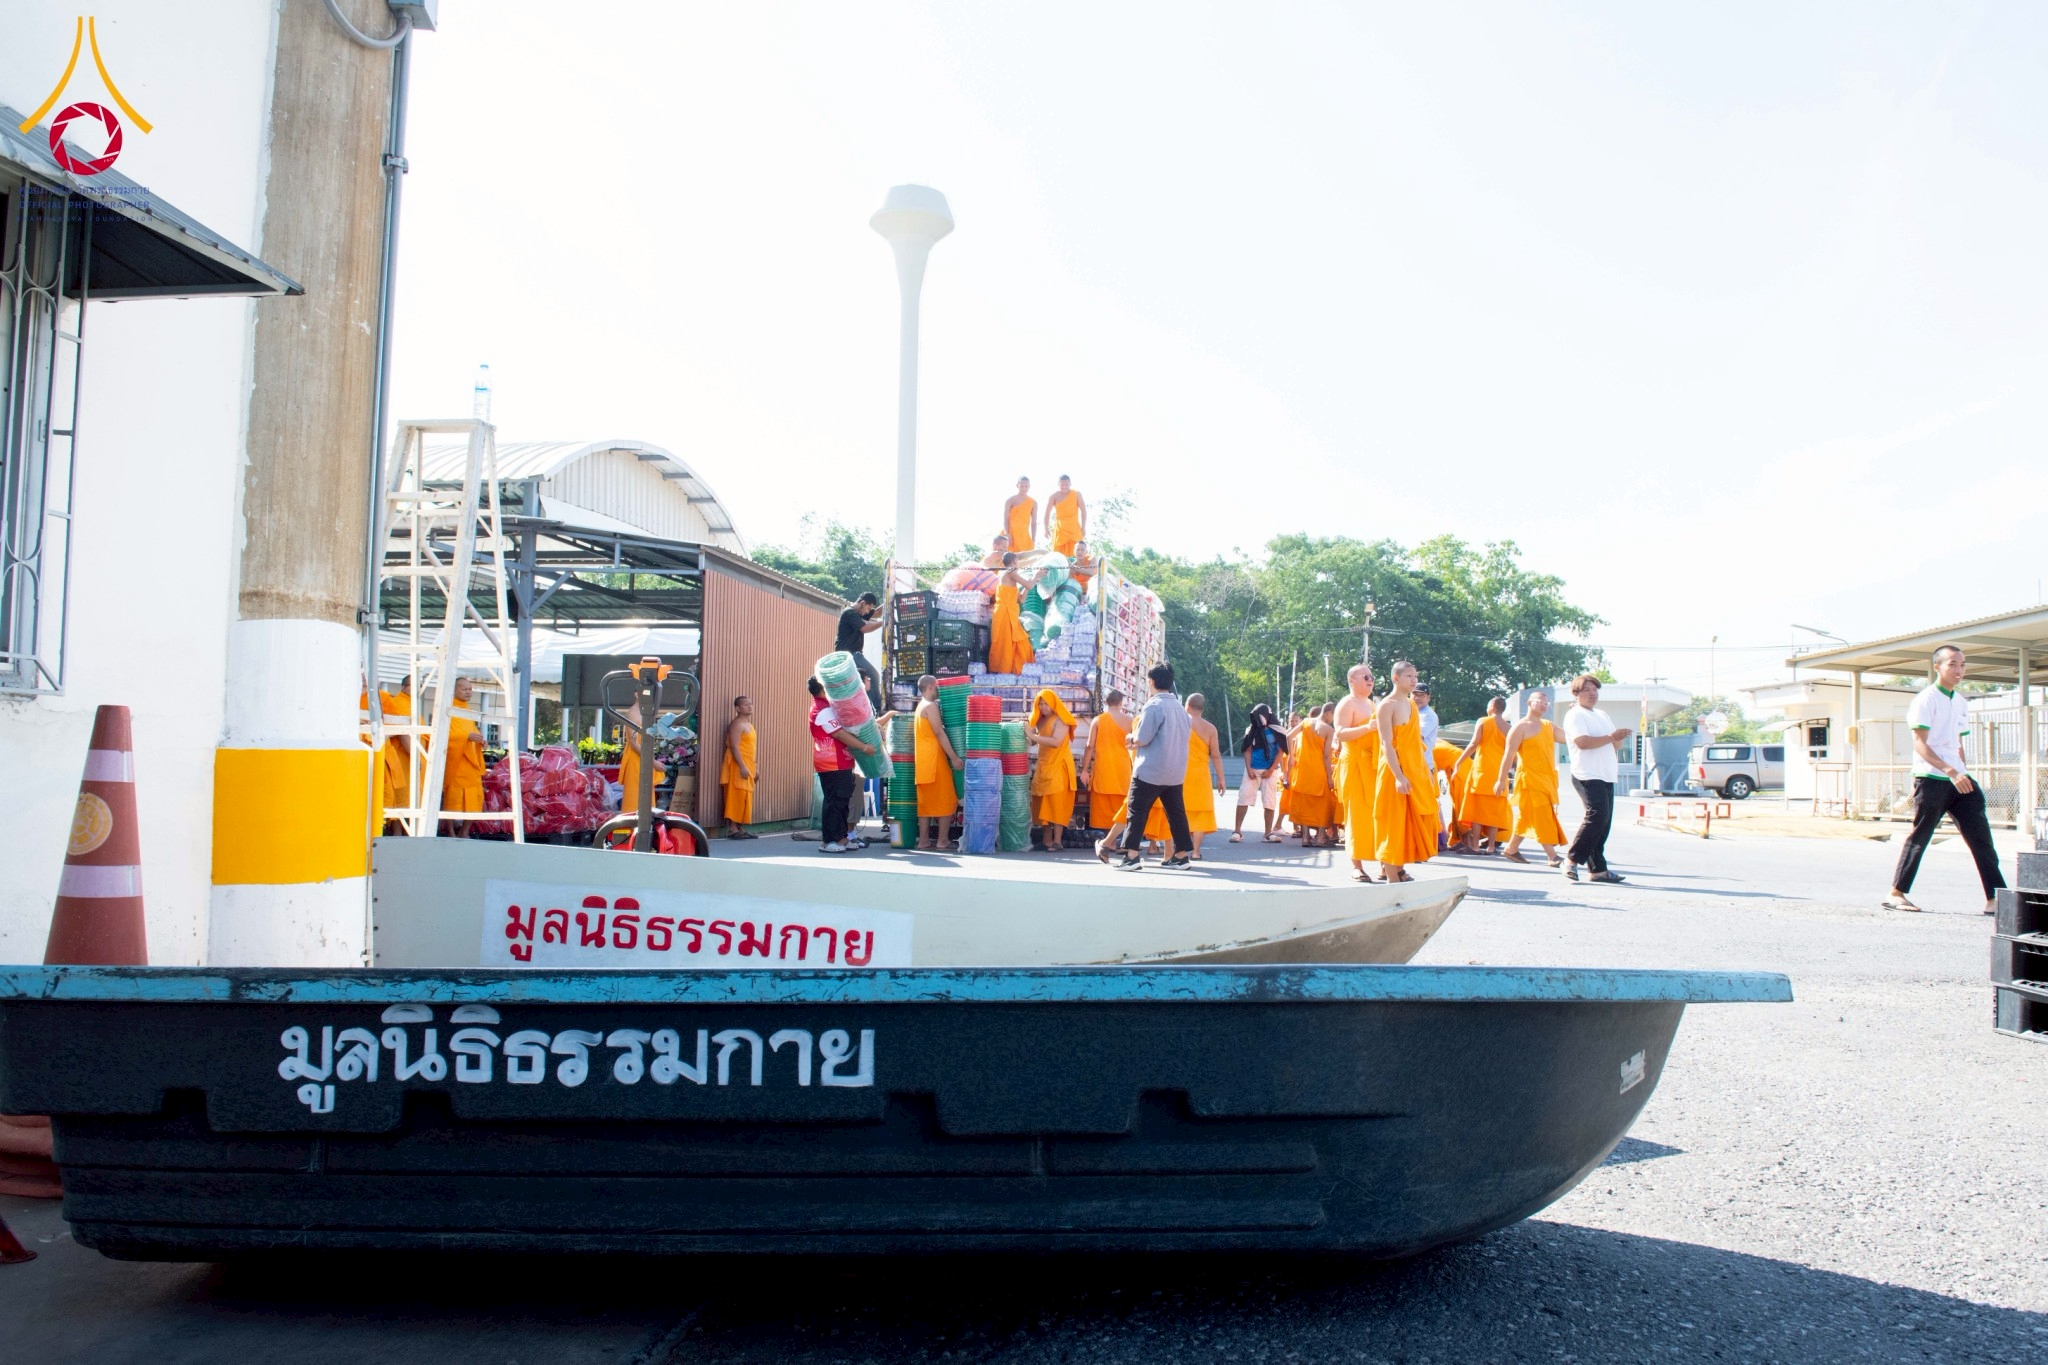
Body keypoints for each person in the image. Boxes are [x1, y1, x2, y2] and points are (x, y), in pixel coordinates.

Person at [1885, 645, 2007, 914]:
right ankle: (1896, 893)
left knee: (1981, 837)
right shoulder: (1926, 699)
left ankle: (1995, 899)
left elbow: (1957, 746)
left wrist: (1962, 772)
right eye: (1952, 664)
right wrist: (1949, 771)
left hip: (1959, 780)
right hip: (1931, 778)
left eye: (1962, 665)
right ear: (1937, 667)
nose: (1959, 670)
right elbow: (1919, 743)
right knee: (1922, 835)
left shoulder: (1961, 702)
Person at [1107, 663, 1193, 870]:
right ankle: (1181, 856)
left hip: (1151, 769)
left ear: (1151, 681)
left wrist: (1131, 737)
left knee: (1136, 811)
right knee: (1176, 813)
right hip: (1175, 770)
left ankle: (1131, 856)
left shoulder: (1154, 706)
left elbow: (1143, 738)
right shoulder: (1181, 710)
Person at [1374, 660, 1440, 882]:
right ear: (1395, 678)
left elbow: (1415, 745)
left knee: (1409, 823)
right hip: (1395, 772)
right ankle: (1392, 880)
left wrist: (1422, 773)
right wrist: (1398, 776)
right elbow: (1386, 744)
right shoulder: (1387, 705)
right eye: (1409, 676)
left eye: (1415, 676)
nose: (1414, 680)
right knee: (1393, 825)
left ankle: (1399, 872)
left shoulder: (1411, 704)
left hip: (1414, 770)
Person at [1561, 674, 1630, 883]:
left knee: (1604, 822)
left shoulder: (1602, 714)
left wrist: (1617, 738)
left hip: (1606, 773)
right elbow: (1582, 742)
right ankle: (1571, 860)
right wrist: (1611, 737)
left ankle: (1598, 869)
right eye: (1587, 690)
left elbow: (1614, 745)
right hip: (1587, 773)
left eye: (1595, 690)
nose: (1592, 694)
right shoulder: (1575, 715)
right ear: (1576, 694)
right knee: (1597, 816)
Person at [810, 676, 878, 854]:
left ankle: (841, 838)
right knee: (834, 801)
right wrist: (863, 747)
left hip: (842, 761)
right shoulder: (821, 709)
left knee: (842, 801)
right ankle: (829, 840)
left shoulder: (828, 708)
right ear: (824, 689)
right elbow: (840, 734)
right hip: (831, 762)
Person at [1496, 690, 1564, 866]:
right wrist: (1500, 780)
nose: (1543, 705)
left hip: (1547, 779)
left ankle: (1511, 849)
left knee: (1527, 816)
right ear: (1529, 702)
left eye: (1546, 703)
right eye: (1539, 701)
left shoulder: (1549, 726)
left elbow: (1569, 738)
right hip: (1529, 779)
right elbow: (1508, 755)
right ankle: (1552, 856)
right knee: (1542, 815)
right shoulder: (1520, 727)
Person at [1331, 664, 1381, 882]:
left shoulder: (1371, 703)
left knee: (1376, 815)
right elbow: (1340, 734)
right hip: (1354, 765)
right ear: (1352, 680)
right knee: (1356, 816)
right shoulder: (1347, 703)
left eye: (1372, 677)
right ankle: (1356, 866)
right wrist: (1367, 728)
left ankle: (1384, 863)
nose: (1370, 680)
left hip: (1372, 765)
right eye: (1365, 677)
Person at [1452, 696, 1515, 852]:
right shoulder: (1509, 728)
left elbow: (1473, 744)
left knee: (1477, 810)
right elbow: (1512, 753)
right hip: (1500, 774)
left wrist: (1459, 761)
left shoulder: (1483, 721)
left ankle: (1474, 845)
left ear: (1492, 707)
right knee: (1493, 812)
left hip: (1482, 772)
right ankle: (1491, 846)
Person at [911, 674, 963, 852]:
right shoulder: (930, 706)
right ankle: (942, 840)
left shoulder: (919, 707)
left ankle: (924, 841)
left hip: (924, 762)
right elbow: (939, 733)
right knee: (946, 799)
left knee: (925, 804)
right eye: (938, 686)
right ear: (932, 686)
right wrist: (954, 758)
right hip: (935, 760)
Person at [1169, 693, 1223, 857]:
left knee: (1178, 811)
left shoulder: (1179, 723)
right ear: (1202, 709)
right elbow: (1216, 755)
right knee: (1200, 811)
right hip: (1201, 775)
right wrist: (1221, 778)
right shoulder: (1210, 728)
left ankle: (1178, 850)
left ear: (1187, 706)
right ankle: (1196, 851)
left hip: (1180, 772)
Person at [1027, 689, 1079, 852]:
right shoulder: (1040, 722)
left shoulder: (1061, 720)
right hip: (1044, 766)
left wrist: (1033, 736)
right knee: (1042, 803)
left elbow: (1056, 742)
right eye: (1039, 703)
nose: (1042, 707)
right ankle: (1047, 840)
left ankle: (1057, 841)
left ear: (1054, 703)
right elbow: (1033, 742)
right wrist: (1023, 731)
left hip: (1059, 767)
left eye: (1045, 703)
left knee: (1057, 804)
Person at [1232, 703, 1288, 843]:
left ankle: (1268, 833)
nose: (1256, 718)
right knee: (1243, 798)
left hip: (1270, 771)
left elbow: (1281, 751)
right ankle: (1237, 831)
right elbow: (1247, 749)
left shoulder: (1278, 730)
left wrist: (1271, 769)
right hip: (1253, 769)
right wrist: (1249, 768)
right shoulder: (1251, 729)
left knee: (1269, 802)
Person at [1287, 704, 1339, 848]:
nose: (1333, 720)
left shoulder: (1306, 722)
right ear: (1328, 713)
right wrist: (1329, 777)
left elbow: (1288, 736)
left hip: (1303, 770)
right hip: (1319, 771)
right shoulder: (1328, 729)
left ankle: (1305, 838)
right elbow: (1327, 756)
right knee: (1323, 804)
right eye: (1333, 716)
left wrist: (1292, 756)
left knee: (1304, 803)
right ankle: (1321, 837)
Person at [441, 676, 487, 835]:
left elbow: (473, 730)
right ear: (454, 690)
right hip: (457, 762)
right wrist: (465, 737)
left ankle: (465, 831)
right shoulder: (447, 709)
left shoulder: (468, 710)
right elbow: (444, 735)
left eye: (470, 689)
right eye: (464, 689)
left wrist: (482, 740)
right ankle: (451, 831)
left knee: (474, 797)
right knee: (453, 797)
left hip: (471, 763)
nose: (468, 692)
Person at [1082, 690, 1132, 833]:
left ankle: (1109, 840)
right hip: (1123, 769)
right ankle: (1116, 839)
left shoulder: (1098, 720)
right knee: (1122, 804)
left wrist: (1085, 769)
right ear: (1121, 703)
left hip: (1104, 768)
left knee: (1104, 804)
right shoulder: (1130, 721)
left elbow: (1089, 746)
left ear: (1106, 702)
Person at [617, 682, 666, 817]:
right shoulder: (633, 713)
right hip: (636, 758)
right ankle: (632, 827)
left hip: (644, 758)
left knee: (645, 795)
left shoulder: (645, 713)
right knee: (636, 797)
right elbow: (634, 743)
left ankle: (646, 826)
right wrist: (653, 762)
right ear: (637, 695)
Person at [835, 591, 886, 715]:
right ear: (862, 603)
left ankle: (867, 709)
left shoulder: (859, 614)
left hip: (855, 654)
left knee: (863, 682)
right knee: (873, 676)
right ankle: (878, 709)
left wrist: (891, 600)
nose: (868, 612)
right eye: (868, 608)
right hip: (848, 655)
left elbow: (878, 613)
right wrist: (885, 622)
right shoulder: (850, 613)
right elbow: (865, 628)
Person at [988, 552, 1035, 674]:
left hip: (1011, 614)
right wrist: (1036, 576)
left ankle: (1013, 671)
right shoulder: (1010, 571)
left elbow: (1022, 599)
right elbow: (1029, 585)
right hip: (1004, 614)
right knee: (1005, 644)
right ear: (1014, 561)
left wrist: (1032, 581)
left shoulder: (1010, 575)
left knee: (1018, 642)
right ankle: (1003, 671)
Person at [721, 695, 758, 839]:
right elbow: (735, 747)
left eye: (751, 704)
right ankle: (732, 828)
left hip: (748, 762)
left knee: (745, 795)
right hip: (738, 763)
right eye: (746, 704)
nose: (750, 706)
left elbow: (752, 748)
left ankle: (740, 827)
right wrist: (742, 766)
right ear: (737, 708)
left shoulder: (749, 725)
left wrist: (755, 766)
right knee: (736, 793)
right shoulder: (737, 724)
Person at [1047, 475, 1087, 556]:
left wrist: (1083, 527)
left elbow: (1083, 511)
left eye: (1066, 485)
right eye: (1062, 485)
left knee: (1077, 555)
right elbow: (1047, 513)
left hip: (1074, 530)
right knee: (1058, 557)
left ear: (1070, 484)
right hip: (1060, 531)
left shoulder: (1076, 494)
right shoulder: (1053, 496)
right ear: (1058, 484)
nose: (1064, 487)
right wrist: (1045, 528)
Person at [1002, 477, 1038, 553]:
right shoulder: (1010, 500)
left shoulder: (1033, 502)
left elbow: (1034, 522)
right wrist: (1006, 533)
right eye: (1021, 486)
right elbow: (1005, 519)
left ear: (1029, 487)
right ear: (1017, 485)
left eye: (1026, 486)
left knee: (1025, 559)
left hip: (1024, 536)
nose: (1024, 489)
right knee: (1006, 559)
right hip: (1010, 534)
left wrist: (1033, 539)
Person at [1415, 683, 1440, 751]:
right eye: (1415, 694)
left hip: (1422, 760)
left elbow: (1416, 738)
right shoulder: (1410, 712)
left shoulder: (1429, 715)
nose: (1417, 698)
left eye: (1422, 695)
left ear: (1428, 698)